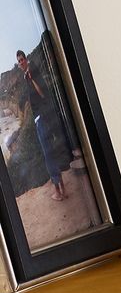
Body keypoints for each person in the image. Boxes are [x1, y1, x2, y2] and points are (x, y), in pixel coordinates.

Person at [16, 49, 68, 201]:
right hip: (45, 115)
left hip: (42, 118)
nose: (21, 63)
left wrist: (32, 80)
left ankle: (58, 190)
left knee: (47, 154)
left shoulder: (31, 73)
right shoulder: (28, 74)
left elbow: (42, 92)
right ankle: (61, 186)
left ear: (26, 60)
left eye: (22, 59)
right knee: (51, 151)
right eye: (18, 61)